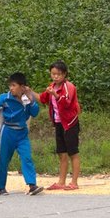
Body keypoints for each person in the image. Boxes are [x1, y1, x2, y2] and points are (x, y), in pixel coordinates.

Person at [0, 73, 43, 196]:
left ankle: (32, 185)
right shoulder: (4, 98)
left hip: (22, 133)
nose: (11, 88)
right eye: (10, 85)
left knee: (26, 157)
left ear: (22, 87)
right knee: (4, 159)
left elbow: (34, 113)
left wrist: (31, 99)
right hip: (7, 131)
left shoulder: (26, 99)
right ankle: (0, 187)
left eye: (14, 85)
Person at [38, 60, 81, 191]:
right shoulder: (52, 87)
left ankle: (74, 182)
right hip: (58, 123)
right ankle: (61, 181)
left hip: (70, 123)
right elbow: (42, 98)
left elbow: (67, 102)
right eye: (53, 74)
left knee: (73, 153)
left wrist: (55, 95)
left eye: (59, 74)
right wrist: (27, 91)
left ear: (64, 74)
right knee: (61, 153)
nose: (56, 76)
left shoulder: (69, 87)